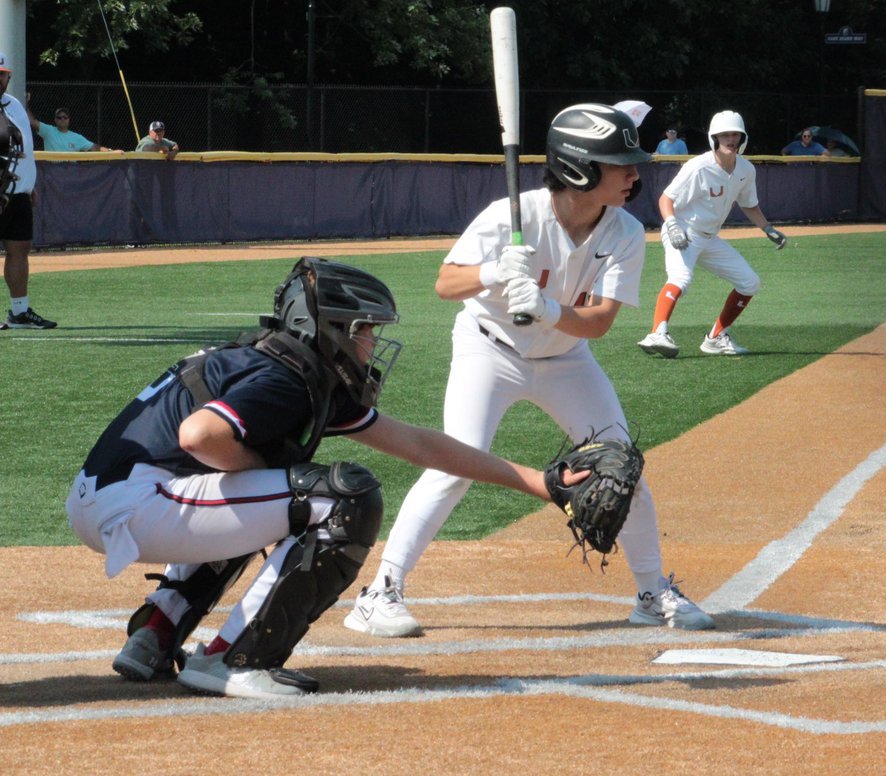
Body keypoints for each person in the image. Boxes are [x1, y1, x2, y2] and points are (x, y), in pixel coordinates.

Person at [66, 257, 589, 698]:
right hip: (141, 501)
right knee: (341, 498)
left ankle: (157, 631)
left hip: (119, 496)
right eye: (364, 330)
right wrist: (273, 471)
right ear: (330, 328)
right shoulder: (287, 378)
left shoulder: (285, 365)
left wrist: (540, 483)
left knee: (274, 491)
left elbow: (418, 443)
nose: (370, 344)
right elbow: (199, 436)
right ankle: (235, 660)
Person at [345, 103, 715, 639]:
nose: (635, 172)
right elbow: (446, 284)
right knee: (455, 462)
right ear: (579, 169)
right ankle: (380, 593)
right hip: (487, 350)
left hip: (567, 359)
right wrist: (494, 270)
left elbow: (600, 323)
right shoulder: (509, 214)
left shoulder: (627, 232)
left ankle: (652, 592)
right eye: (620, 163)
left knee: (620, 467)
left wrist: (546, 309)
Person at [638, 110, 787, 358]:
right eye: (724, 134)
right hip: (683, 230)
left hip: (709, 237)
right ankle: (657, 332)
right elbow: (666, 198)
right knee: (681, 279)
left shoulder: (746, 169)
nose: (730, 139)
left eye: (735, 134)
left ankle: (716, 337)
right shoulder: (698, 167)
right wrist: (673, 226)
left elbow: (748, 203)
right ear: (714, 138)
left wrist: (768, 228)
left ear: (742, 138)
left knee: (750, 282)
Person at [0, 53, 56, 330]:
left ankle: (19, 312)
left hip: (18, 193)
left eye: (2, 73)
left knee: (20, 248)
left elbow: (26, 150)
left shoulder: (15, 105)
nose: (0, 78)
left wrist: (28, 185)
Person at [30, 105, 118, 152]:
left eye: (65, 117)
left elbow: (94, 147)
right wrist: (25, 103)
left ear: (69, 119)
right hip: (51, 175)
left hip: (69, 175)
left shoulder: (76, 137)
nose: (62, 119)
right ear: (55, 120)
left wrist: (111, 152)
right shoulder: (48, 131)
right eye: (59, 117)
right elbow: (32, 121)